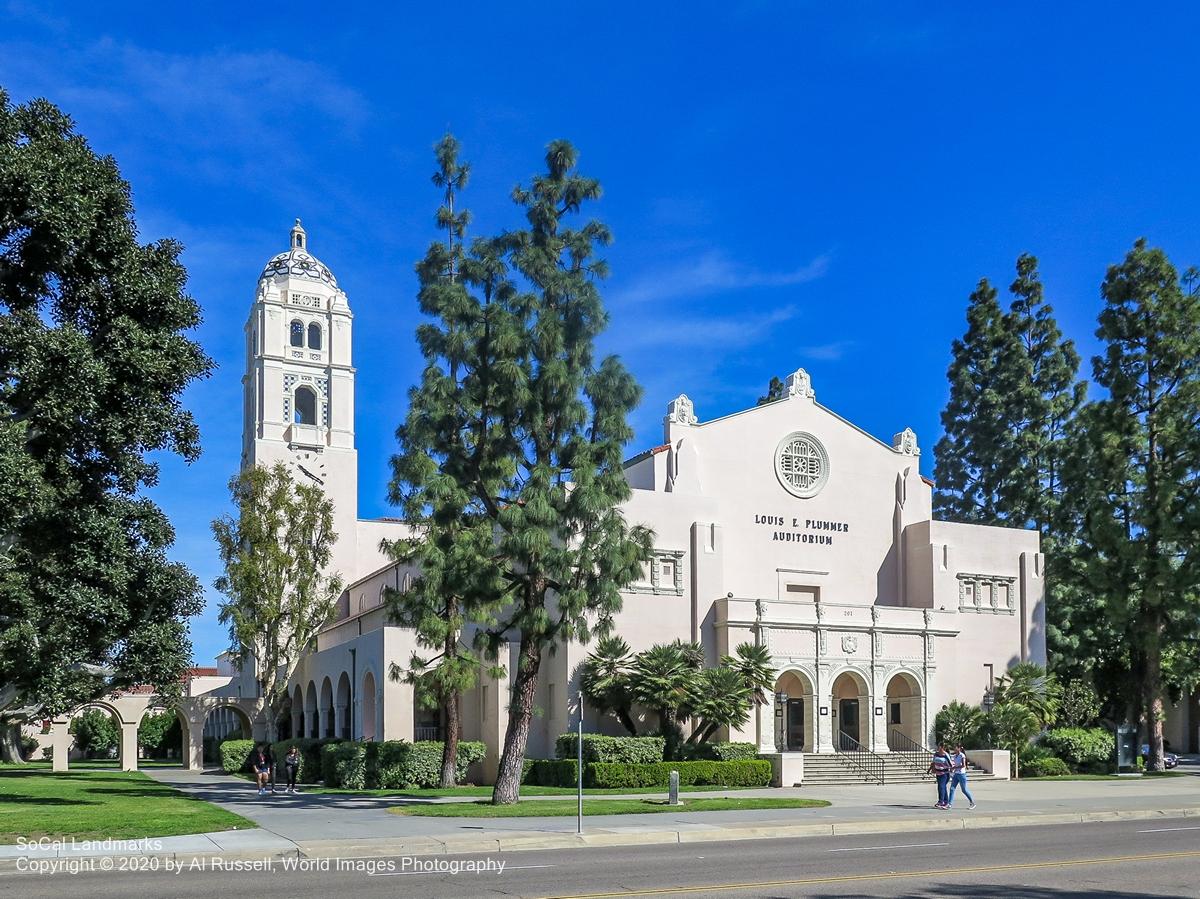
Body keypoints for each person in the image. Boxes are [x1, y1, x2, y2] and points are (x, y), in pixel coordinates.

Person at [947, 744, 976, 809]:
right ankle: (949, 804)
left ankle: (972, 803)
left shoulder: (962, 755)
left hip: (961, 774)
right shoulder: (954, 756)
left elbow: (963, 765)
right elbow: (951, 760)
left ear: (959, 748)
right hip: (956, 774)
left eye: (955, 748)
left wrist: (955, 767)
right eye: (954, 748)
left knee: (964, 790)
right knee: (952, 789)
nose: (954, 749)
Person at [927, 742, 952, 809]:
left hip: (944, 774)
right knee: (942, 787)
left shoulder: (945, 755)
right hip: (938, 774)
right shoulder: (936, 754)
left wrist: (950, 771)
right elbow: (933, 762)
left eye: (938, 746)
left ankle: (941, 801)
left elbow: (951, 764)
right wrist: (930, 770)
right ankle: (946, 802)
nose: (937, 747)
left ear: (941, 747)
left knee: (941, 787)